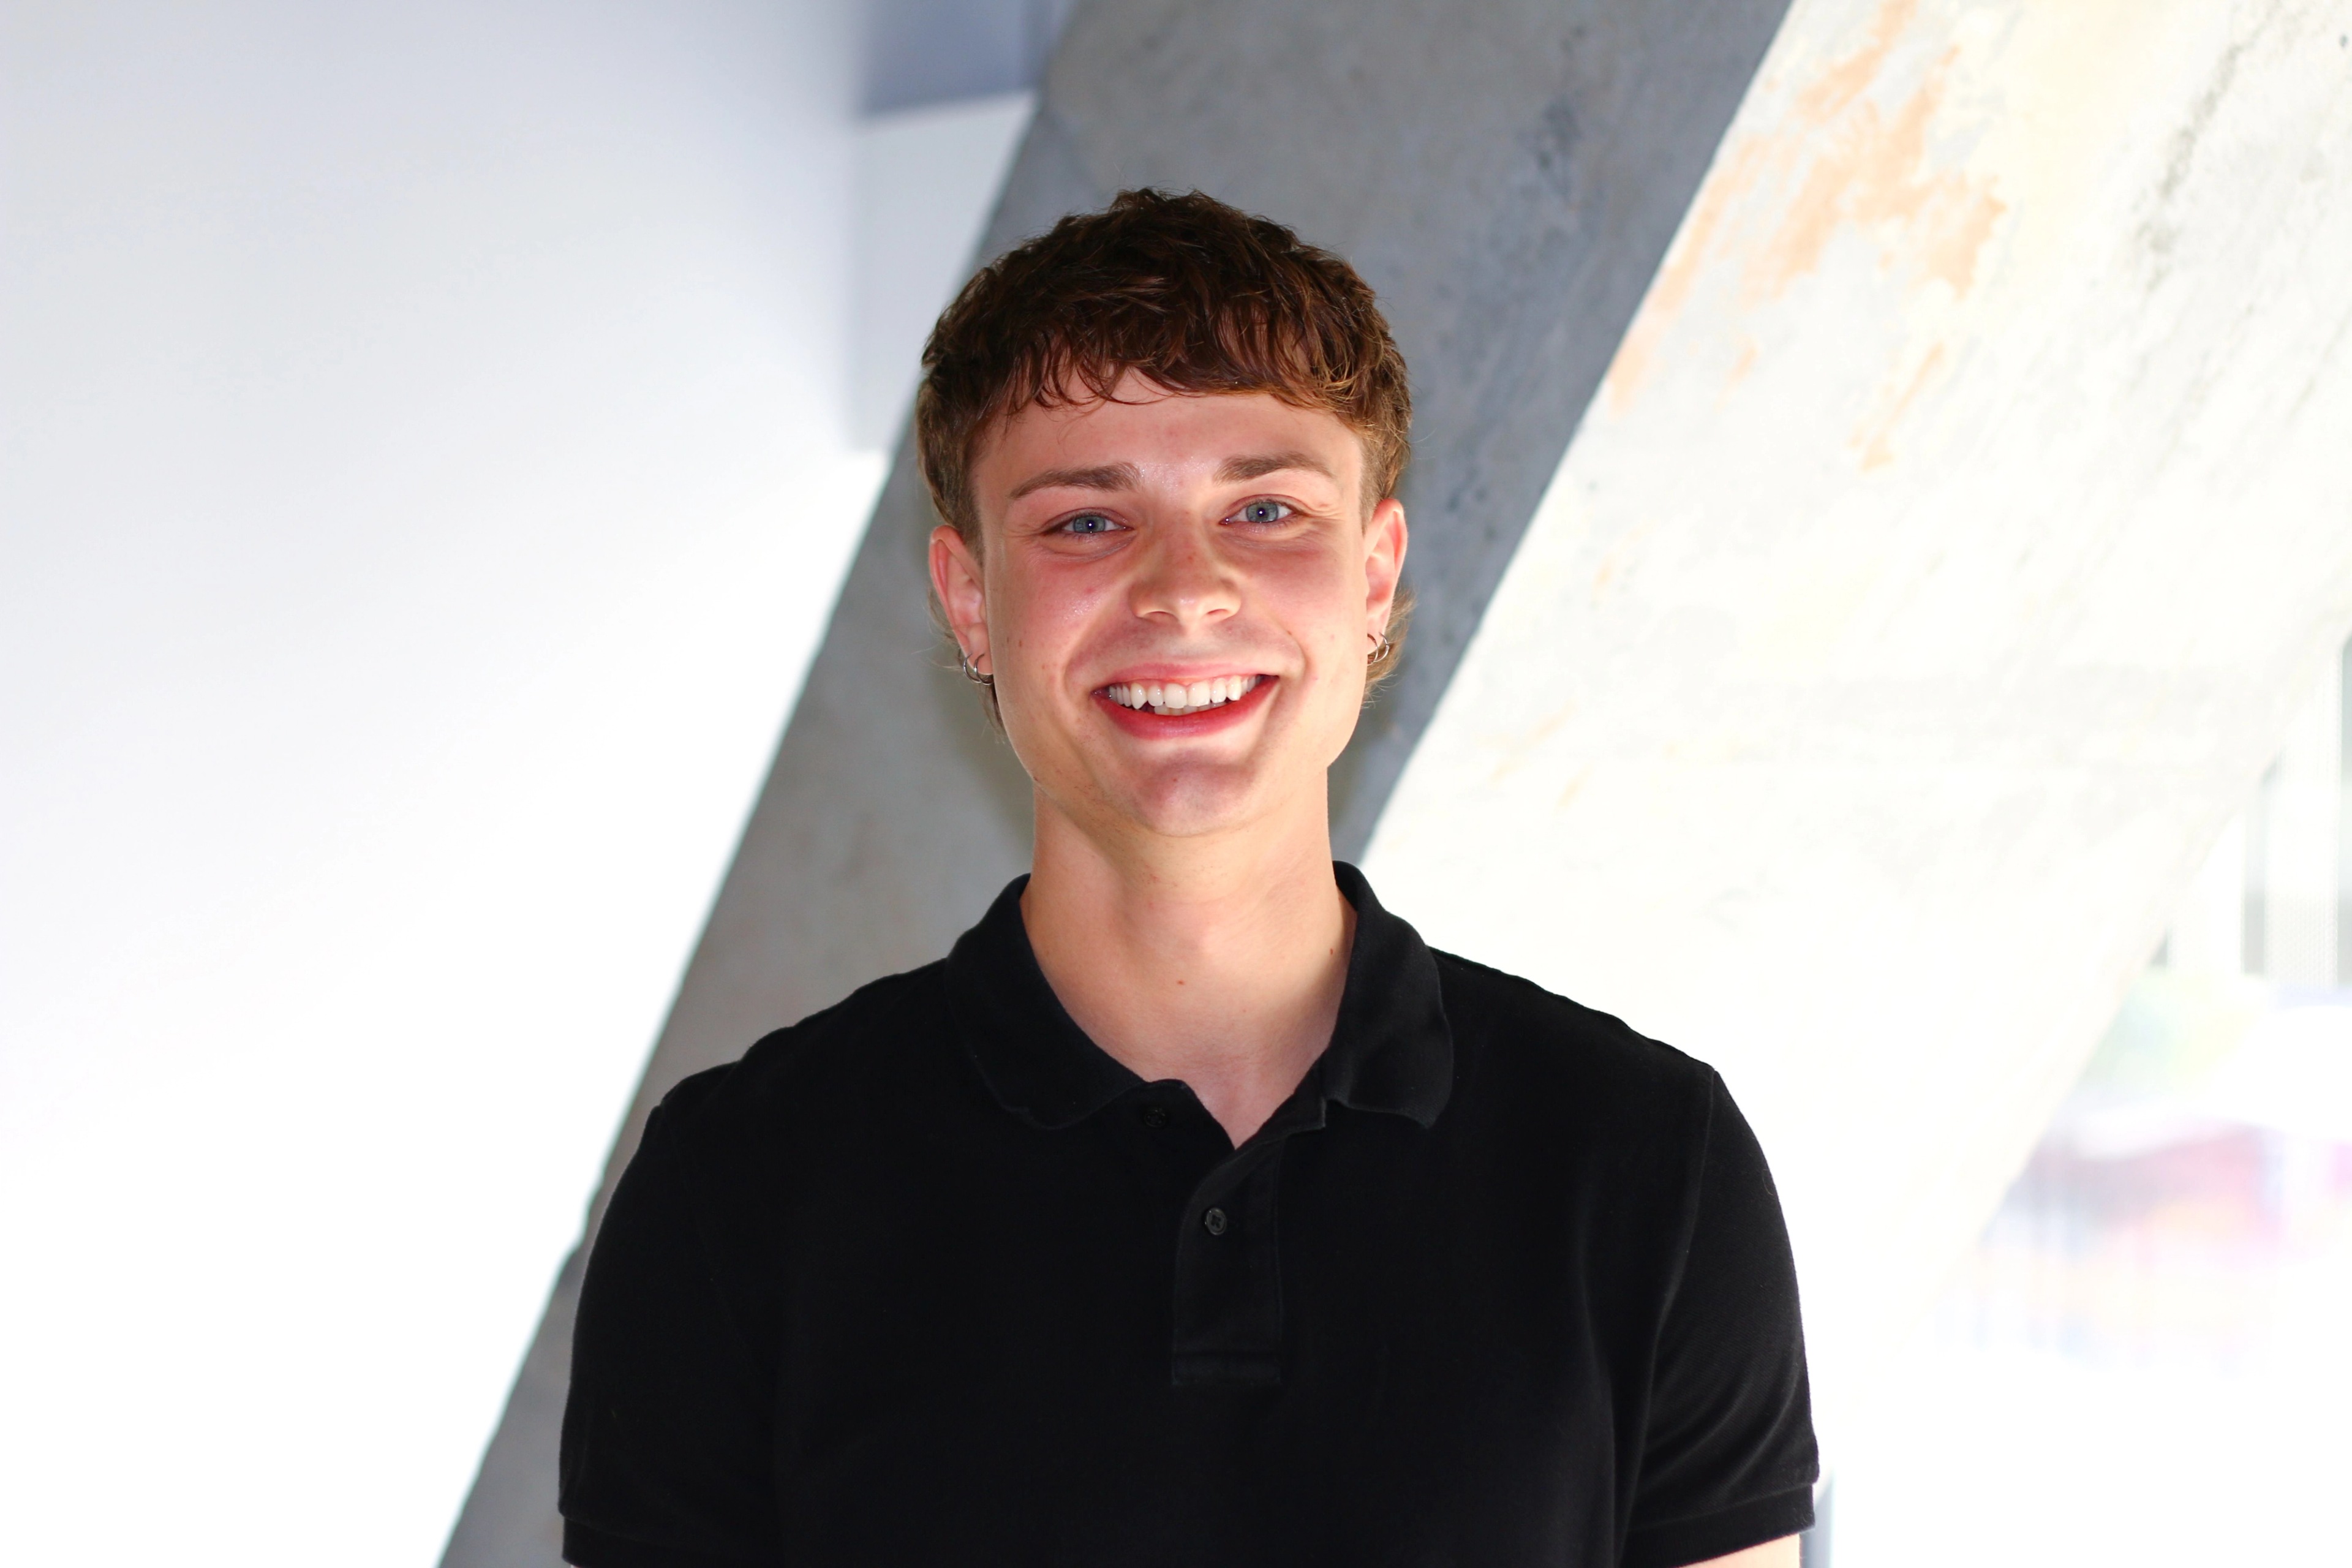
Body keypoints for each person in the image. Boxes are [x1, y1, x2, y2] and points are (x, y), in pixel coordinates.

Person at [558, 189, 1817, 1567]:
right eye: (1087, 524)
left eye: (1266, 507)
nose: (1184, 589)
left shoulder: (1648, 1163)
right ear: (971, 599)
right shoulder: (738, 1183)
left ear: (1377, 572)